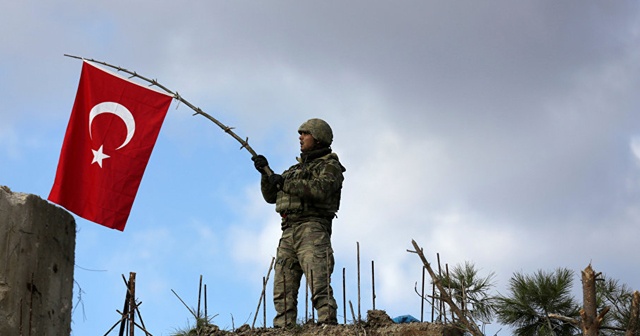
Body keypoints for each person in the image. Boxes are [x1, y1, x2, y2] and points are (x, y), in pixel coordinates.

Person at [252, 118, 346, 327]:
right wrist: (265, 174)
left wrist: (284, 181)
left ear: (318, 137)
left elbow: (320, 189)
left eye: (305, 133)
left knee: (318, 281)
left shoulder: (330, 166)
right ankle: (283, 328)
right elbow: (271, 196)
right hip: (288, 230)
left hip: (313, 229)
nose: (300, 137)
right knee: (282, 286)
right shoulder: (294, 169)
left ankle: (327, 325)